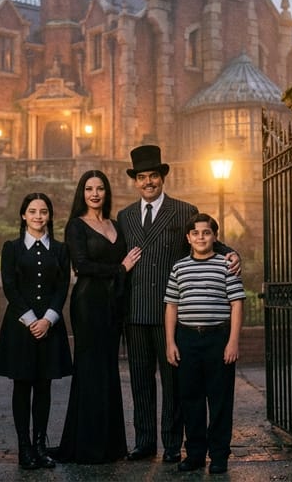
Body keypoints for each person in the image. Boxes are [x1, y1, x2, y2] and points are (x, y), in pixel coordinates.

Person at [116, 145, 240, 464]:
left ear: (162, 178)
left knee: (173, 384)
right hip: (136, 309)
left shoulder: (184, 210)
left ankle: (172, 444)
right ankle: (144, 442)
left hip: (173, 310)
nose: (148, 182)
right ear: (135, 181)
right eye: (142, 177)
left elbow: (205, 237)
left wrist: (231, 252)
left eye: (153, 176)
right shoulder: (125, 216)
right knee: (141, 381)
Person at [56, 170, 141, 463]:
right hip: (88, 304)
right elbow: (81, 265)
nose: (95, 194)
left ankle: (111, 445)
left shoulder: (116, 224)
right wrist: (121, 268)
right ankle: (88, 447)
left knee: (108, 372)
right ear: (82, 193)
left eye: (100, 188)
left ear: (106, 192)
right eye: (89, 189)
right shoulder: (75, 226)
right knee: (90, 371)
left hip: (113, 306)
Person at [0, 192, 73, 470]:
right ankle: (24, 449)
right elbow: (10, 287)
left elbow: (62, 287)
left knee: (44, 387)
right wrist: (31, 320)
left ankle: (40, 447)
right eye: (33, 211)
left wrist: (48, 320)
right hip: (20, 330)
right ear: (24, 215)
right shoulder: (11, 248)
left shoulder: (60, 250)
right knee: (22, 386)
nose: (39, 216)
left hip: (50, 328)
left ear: (49, 216)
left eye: (44, 212)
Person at [164, 213, 245, 474]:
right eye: (196, 233)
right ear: (188, 238)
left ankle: (219, 455)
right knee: (191, 399)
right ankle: (195, 454)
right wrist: (170, 342)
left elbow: (236, 303)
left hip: (217, 339)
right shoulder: (179, 268)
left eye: (206, 232)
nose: (201, 237)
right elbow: (171, 306)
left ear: (215, 236)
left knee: (220, 399)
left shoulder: (225, 265)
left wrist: (233, 341)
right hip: (187, 339)